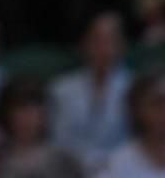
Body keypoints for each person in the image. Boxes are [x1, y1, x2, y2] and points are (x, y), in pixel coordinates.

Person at [48, 11, 131, 173]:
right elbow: (59, 141)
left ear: (122, 45)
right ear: (84, 44)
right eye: (97, 39)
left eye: (110, 40)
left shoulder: (135, 88)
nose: (104, 47)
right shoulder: (61, 90)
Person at [0, 75, 82, 178]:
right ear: (7, 114)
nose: (28, 116)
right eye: (21, 109)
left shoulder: (64, 159)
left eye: (34, 109)